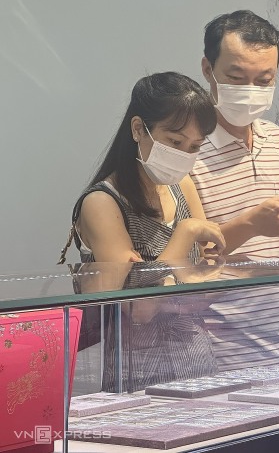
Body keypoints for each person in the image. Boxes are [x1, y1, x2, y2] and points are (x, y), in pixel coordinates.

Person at [66, 72, 226, 391]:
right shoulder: (102, 202)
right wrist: (183, 237)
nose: (184, 155)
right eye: (175, 142)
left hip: (198, 360)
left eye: (194, 147)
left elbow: (204, 284)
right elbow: (138, 310)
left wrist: (205, 272)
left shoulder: (183, 185)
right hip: (138, 373)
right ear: (138, 129)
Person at [191, 11, 279, 371]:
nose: (250, 91)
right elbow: (182, 263)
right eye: (236, 77)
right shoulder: (186, 151)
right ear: (207, 68)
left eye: (264, 80)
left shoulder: (276, 138)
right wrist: (252, 224)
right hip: (221, 353)